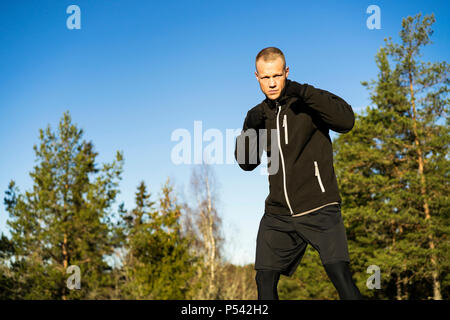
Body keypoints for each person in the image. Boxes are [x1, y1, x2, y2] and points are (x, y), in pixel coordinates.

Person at [234, 47, 363, 300]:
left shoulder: (307, 100)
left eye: (276, 76)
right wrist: (250, 125)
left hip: (319, 206)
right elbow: (247, 163)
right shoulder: (261, 115)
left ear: (286, 72)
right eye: (265, 77)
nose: (272, 83)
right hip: (278, 213)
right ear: (256, 77)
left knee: (342, 279)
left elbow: (346, 122)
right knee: (264, 278)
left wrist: (304, 92)